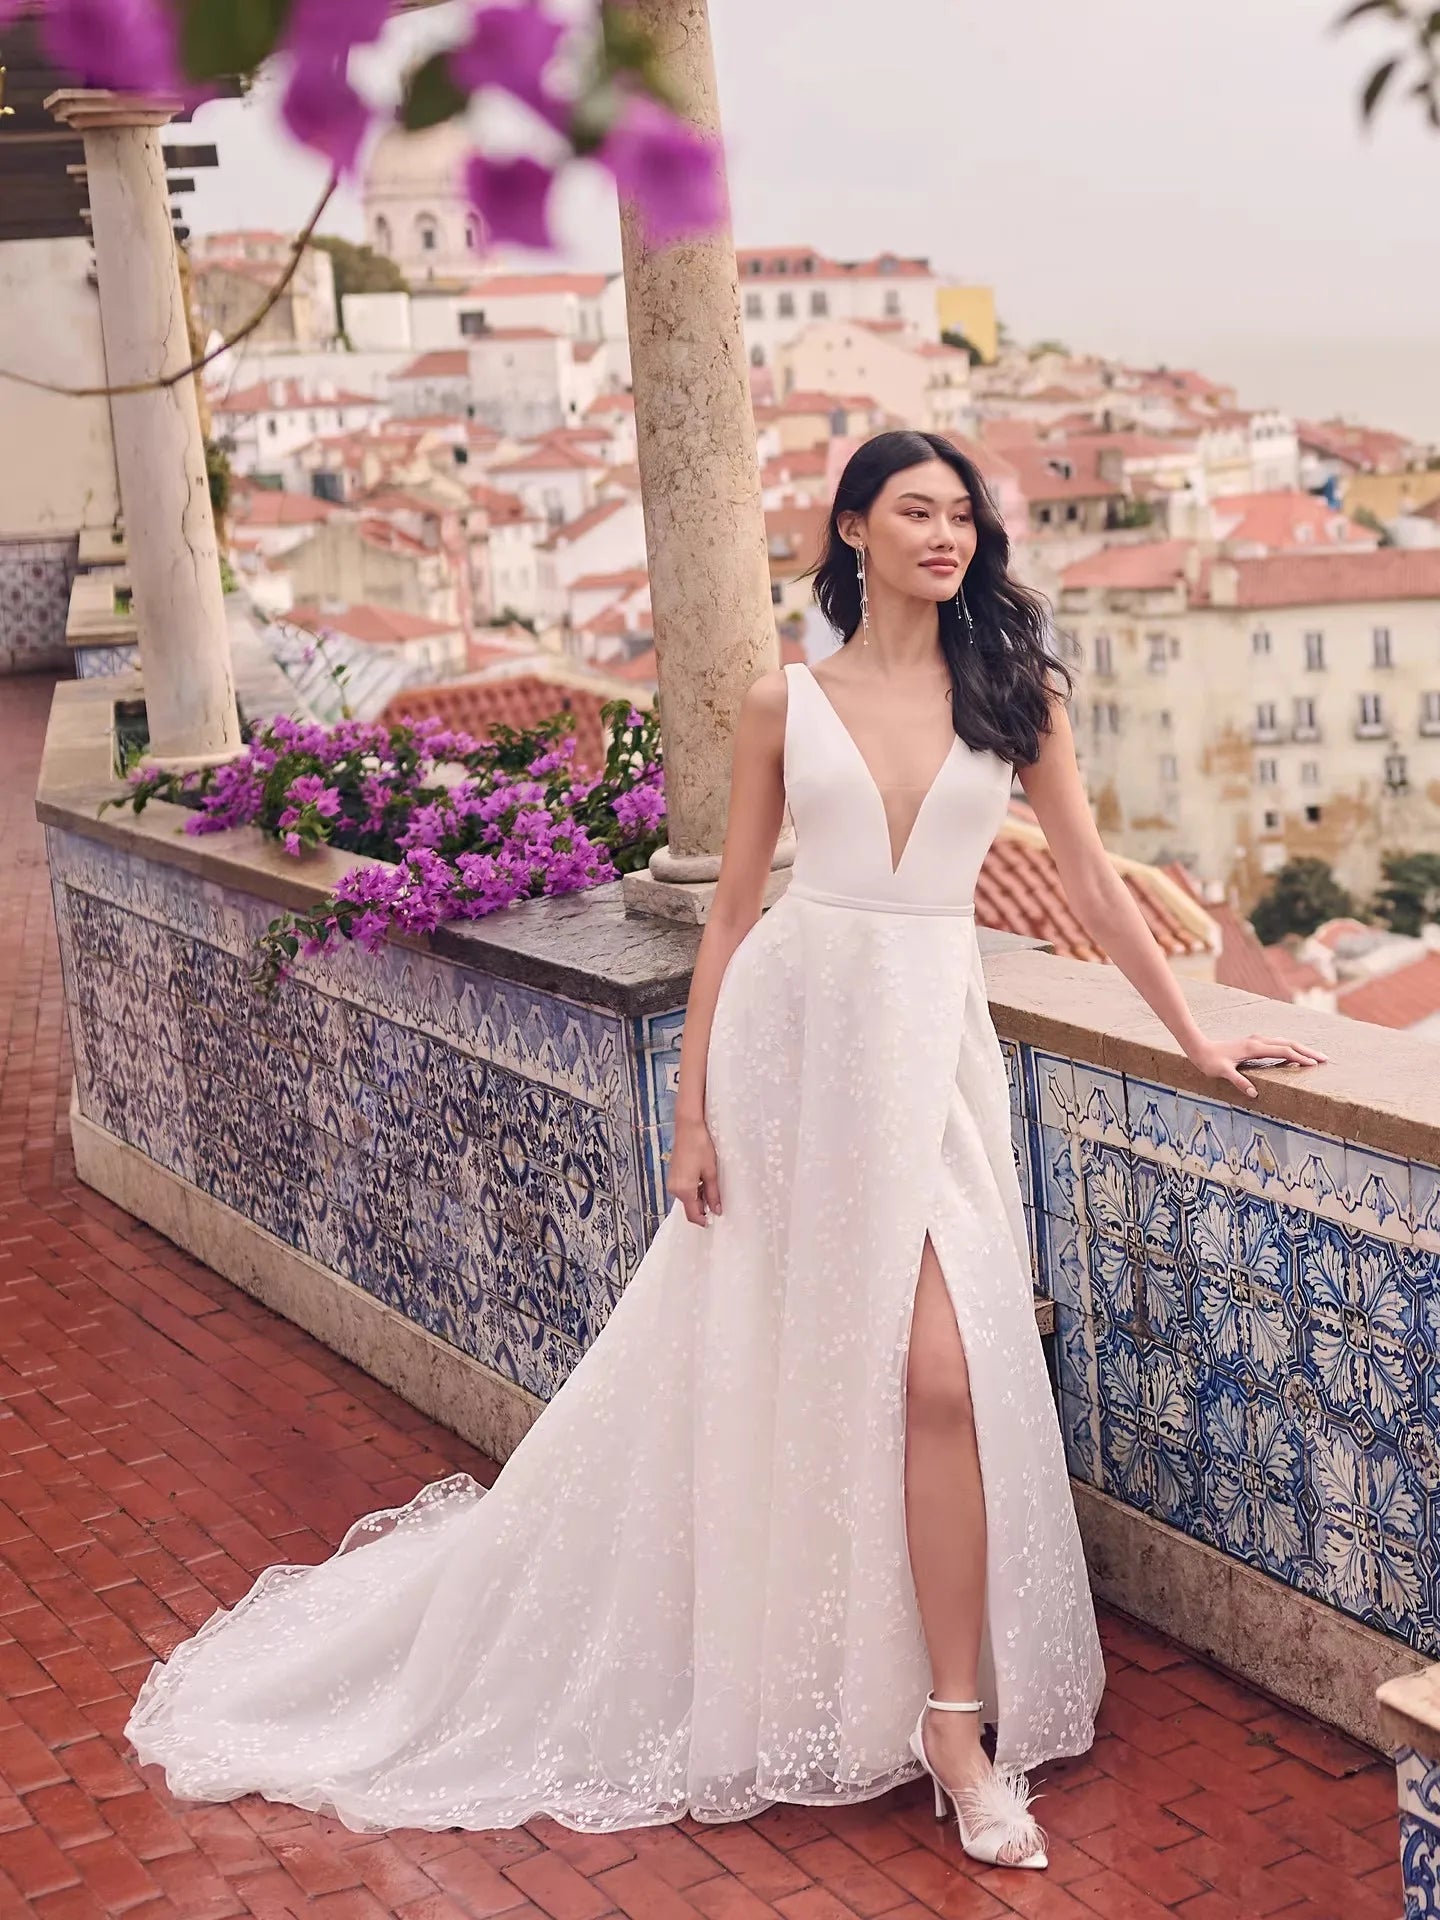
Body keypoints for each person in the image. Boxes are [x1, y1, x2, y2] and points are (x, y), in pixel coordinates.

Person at [125, 431, 1325, 1869]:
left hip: (926, 1059)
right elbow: (733, 915)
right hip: (791, 1052)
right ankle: (867, 1687)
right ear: (855, 532)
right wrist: (693, 1112)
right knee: (798, 1361)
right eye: (916, 513)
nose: (947, 536)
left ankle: (953, 1721)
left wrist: (1198, 1036)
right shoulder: (783, 703)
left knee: (941, 1374)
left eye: (964, 517)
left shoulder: (1016, 700)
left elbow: (1090, 885)